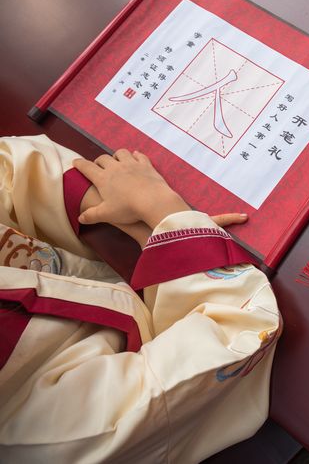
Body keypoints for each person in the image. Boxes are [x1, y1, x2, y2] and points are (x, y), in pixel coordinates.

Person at [0, 135, 281, 463]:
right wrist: (168, 217)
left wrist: (107, 208)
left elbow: (12, 170)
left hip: (113, 263)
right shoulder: (37, 437)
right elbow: (230, 339)